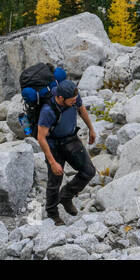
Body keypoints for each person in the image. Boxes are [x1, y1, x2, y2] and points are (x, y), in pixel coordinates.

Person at [36, 79, 97, 222]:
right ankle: (52, 214)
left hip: (71, 139)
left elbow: (81, 110)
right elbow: (41, 137)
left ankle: (66, 195)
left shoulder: (74, 97)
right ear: (60, 98)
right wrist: (52, 162)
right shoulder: (48, 111)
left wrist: (91, 129)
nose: (75, 102)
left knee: (89, 171)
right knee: (54, 181)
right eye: (72, 100)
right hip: (54, 145)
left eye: (76, 99)